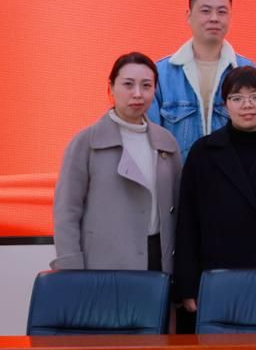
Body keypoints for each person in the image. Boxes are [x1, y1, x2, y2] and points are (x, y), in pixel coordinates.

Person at [174, 66, 256, 321]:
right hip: (218, 277)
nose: (247, 105)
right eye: (237, 98)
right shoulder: (204, 153)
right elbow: (188, 223)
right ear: (225, 105)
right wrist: (187, 284)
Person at [53, 52, 180, 273]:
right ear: (111, 88)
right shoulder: (86, 142)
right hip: (103, 265)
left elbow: (178, 207)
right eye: (128, 84)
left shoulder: (166, 142)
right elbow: (67, 211)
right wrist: (71, 269)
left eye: (146, 86)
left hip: (158, 262)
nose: (137, 94)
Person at [149, 0, 256, 161]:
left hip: (235, 176)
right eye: (206, 11)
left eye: (222, 12)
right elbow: (150, 142)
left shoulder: (248, 70)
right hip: (179, 177)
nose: (214, 18)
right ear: (189, 15)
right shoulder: (160, 74)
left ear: (230, 17)